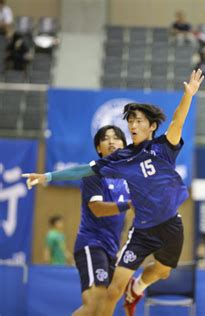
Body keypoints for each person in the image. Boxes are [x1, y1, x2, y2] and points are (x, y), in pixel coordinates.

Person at [23, 69, 204, 316]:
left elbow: (177, 122)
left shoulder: (163, 148)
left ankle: (137, 287)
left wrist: (189, 96)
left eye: (139, 120)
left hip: (171, 224)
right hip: (141, 231)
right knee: (112, 290)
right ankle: (128, 289)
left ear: (151, 126)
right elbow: (83, 170)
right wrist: (48, 176)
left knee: (162, 272)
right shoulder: (120, 158)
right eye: (130, 121)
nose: (133, 125)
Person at [72, 125, 132, 316]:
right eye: (106, 139)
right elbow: (97, 209)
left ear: (124, 144)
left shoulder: (128, 176)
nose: (112, 141)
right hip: (92, 244)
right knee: (94, 304)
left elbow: (128, 218)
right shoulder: (93, 173)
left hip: (112, 249)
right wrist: (129, 204)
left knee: (106, 307)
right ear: (99, 148)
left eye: (116, 138)